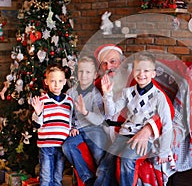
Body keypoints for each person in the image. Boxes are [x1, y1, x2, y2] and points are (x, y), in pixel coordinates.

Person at [95, 52, 174, 186]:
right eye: (138, 69)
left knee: (126, 160)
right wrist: (107, 94)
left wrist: (164, 151)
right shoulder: (128, 92)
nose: (141, 73)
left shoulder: (158, 96)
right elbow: (111, 112)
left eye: (146, 70)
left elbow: (167, 123)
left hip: (143, 138)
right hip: (124, 134)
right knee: (106, 163)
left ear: (153, 74)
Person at [62, 55, 108, 186]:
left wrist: (85, 112)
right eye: (81, 71)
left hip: (93, 128)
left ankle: (103, 181)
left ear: (94, 75)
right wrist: (71, 127)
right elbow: (66, 115)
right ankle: (88, 179)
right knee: (67, 146)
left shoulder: (96, 94)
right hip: (77, 129)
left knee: (99, 151)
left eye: (88, 72)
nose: (84, 75)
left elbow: (99, 119)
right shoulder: (70, 93)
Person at [31, 64, 73, 186]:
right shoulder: (42, 101)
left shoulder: (69, 101)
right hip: (46, 146)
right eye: (53, 81)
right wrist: (38, 113)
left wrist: (73, 128)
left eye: (60, 81)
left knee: (57, 177)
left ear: (64, 82)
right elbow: (36, 125)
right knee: (45, 177)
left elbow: (72, 120)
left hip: (61, 146)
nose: (56, 84)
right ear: (46, 82)